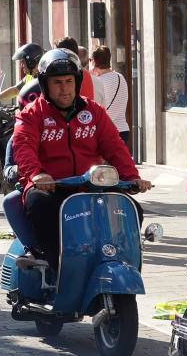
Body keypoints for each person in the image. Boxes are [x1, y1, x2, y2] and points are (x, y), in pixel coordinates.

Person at [12, 49, 150, 269]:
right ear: (45, 85)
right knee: (40, 204)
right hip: (51, 187)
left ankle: (123, 261)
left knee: (131, 208)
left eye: (69, 81)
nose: (65, 88)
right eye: (57, 82)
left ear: (77, 82)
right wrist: (37, 174)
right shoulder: (31, 113)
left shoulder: (94, 111)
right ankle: (53, 265)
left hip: (91, 188)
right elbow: (23, 146)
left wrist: (132, 177)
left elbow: (115, 146)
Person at [91, 45, 129, 144]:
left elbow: (95, 108)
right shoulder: (120, 77)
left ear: (94, 61)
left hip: (107, 132)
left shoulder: (98, 82)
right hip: (123, 129)